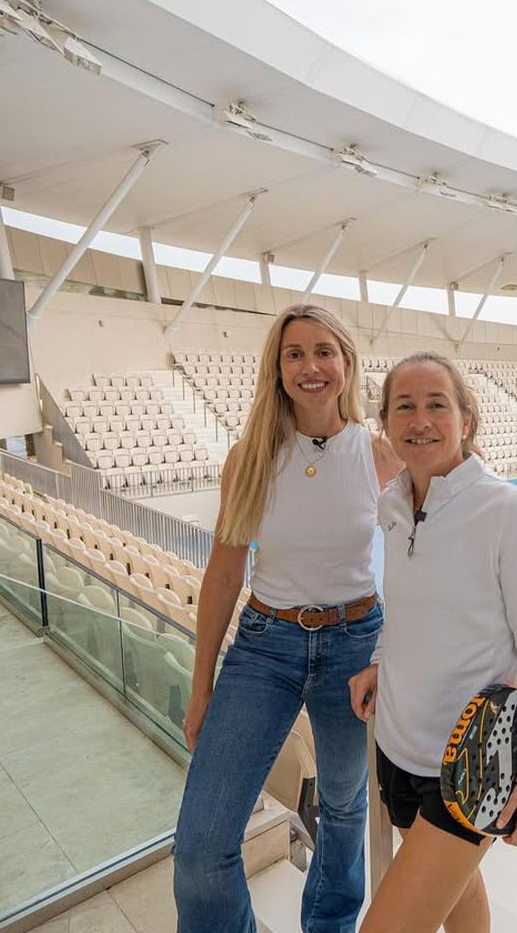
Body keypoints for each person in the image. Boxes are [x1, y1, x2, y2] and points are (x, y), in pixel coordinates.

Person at [172, 304, 400, 933]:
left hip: (356, 644)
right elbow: (222, 576)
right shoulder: (249, 457)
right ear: (276, 369)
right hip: (264, 647)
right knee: (199, 850)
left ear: (346, 363)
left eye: (324, 351)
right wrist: (202, 689)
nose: (310, 366)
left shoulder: (382, 456)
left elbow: (420, 562)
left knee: (346, 809)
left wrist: (387, 653)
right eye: (294, 354)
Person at [350, 351, 517, 933]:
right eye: (405, 407)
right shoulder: (394, 503)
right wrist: (377, 661)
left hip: (473, 767)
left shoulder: (507, 511)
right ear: (387, 424)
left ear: (466, 419)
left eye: (436, 405)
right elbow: (406, 609)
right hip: (396, 749)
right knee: (458, 893)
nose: (420, 420)